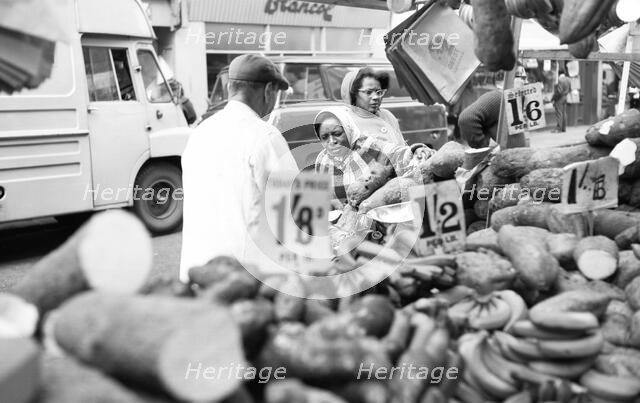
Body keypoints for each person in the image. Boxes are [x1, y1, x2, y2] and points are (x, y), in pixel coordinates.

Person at [179, 54, 297, 282]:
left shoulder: (200, 133)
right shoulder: (265, 135)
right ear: (269, 90)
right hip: (243, 280)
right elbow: (292, 207)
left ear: (229, 87)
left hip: (194, 273)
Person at [314, 106, 432, 208]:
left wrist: (416, 152)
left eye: (337, 134)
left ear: (348, 129)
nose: (332, 141)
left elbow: (396, 154)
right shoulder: (322, 160)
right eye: (324, 137)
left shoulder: (367, 146)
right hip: (343, 226)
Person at [340, 68, 405, 146]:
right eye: (368, 92)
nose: (376, 97)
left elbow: (402, 148)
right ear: (354, 94)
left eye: (379, 92)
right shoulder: (346, 122)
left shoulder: (387, 116)